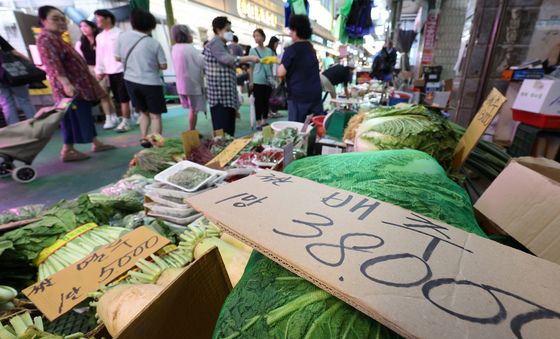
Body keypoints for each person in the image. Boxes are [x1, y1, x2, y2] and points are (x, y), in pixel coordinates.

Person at [36, 6, 115, 162]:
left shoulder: (57, 38)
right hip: (69, 88)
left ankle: (95, 143)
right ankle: (68, 150)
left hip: (80, 86)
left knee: (83, 115)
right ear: (44, 21)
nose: (60, 22)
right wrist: (66, 84)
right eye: (55, 18)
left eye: (62, 18)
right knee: (71, 118)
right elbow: (53, 65)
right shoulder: (46, 39)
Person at [115, 9, 167, 146]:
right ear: (150, 25)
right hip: (151, 83)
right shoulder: (153, 43)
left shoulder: (122, 37)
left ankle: (144, 138)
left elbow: (117, 57)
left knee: (143, 113)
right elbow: (163, 65)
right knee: (155, 116)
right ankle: (156, 143)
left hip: (131, 81)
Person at [203, 16, 259, 136]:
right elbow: (228, 60)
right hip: (220, 98)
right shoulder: (215, 43)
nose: (230, 33)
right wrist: (249, 58)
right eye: (227, 30)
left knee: (228, 132)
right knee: (222, 135)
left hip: (226, 97)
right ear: (218, 30)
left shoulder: (224, 46)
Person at [277, 15, 323, 123]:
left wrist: (279, 63)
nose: (290, 33)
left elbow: (280, 72)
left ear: (296, 31)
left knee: (297, 129)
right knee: (314, 128)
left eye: (291, 30)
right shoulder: (311, 49)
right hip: (315, 95)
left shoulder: (291, 50)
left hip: (299, 96)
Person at [94, 9, 133, 132]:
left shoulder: (120, 33)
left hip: (122, 69)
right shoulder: (99, 37)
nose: (97, 21)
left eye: (99, 18)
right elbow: (99, 55)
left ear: (108, 19)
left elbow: (126, 52)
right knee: (117, 97)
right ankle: (125, 117)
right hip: (109, 72)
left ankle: (126, 121)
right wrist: (99, 70)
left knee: (123, 97)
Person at [74, 20, 117, 129]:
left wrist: (105, 69)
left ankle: (111, 117)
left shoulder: (101, 39)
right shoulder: (80, 43)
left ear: (93, 28)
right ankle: (110, 117)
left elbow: (108, 55)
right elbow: (80, 59)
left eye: (86, 26)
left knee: (106, 95)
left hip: (105, 68)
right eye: (81, 26)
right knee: (103, 95)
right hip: (90, 70)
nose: (83, 28)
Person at [171, 24, 207, 131]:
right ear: (185, 35)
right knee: (193, 109)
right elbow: (202, 62)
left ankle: (192, 129)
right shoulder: (190, 48)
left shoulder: (174, 48)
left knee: (192, 109)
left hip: (181, 84)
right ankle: (191, 130)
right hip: (192, 84)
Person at [0, 35, 36, 126]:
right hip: (12, 72)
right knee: (24, 100)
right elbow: (14, 52)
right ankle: (33, 126)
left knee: (7, 104)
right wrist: (29, 61)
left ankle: (15, 130)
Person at [249, 28, 274, 129]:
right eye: (255, 36)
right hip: (257, 79)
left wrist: (272, 78)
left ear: (263, 37)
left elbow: (272, 66)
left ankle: (264, 120)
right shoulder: (253, 50)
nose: (256, 38)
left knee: (266, 101)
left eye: (258, 35)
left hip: (268, 80)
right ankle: (258, 121)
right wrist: (251, 80)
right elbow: (251, 67)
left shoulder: (269, 51)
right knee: (258, 101)